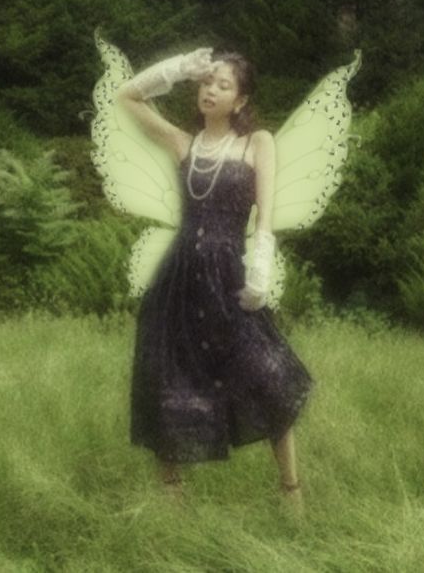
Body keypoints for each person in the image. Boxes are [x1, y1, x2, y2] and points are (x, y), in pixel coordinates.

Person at [116, 47, 313, 510]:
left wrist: (260, 268)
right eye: (207, 82)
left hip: (229, 277)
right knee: (168, 375)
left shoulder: (256, 143)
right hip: (179, 277)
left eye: (223, 85)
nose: (211, 90)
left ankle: (290, 490)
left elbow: (265, 216)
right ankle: (171, 492)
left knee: (266, 375)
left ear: (240, 100)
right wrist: (179, 67)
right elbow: (127, 97)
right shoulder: (183, 143)